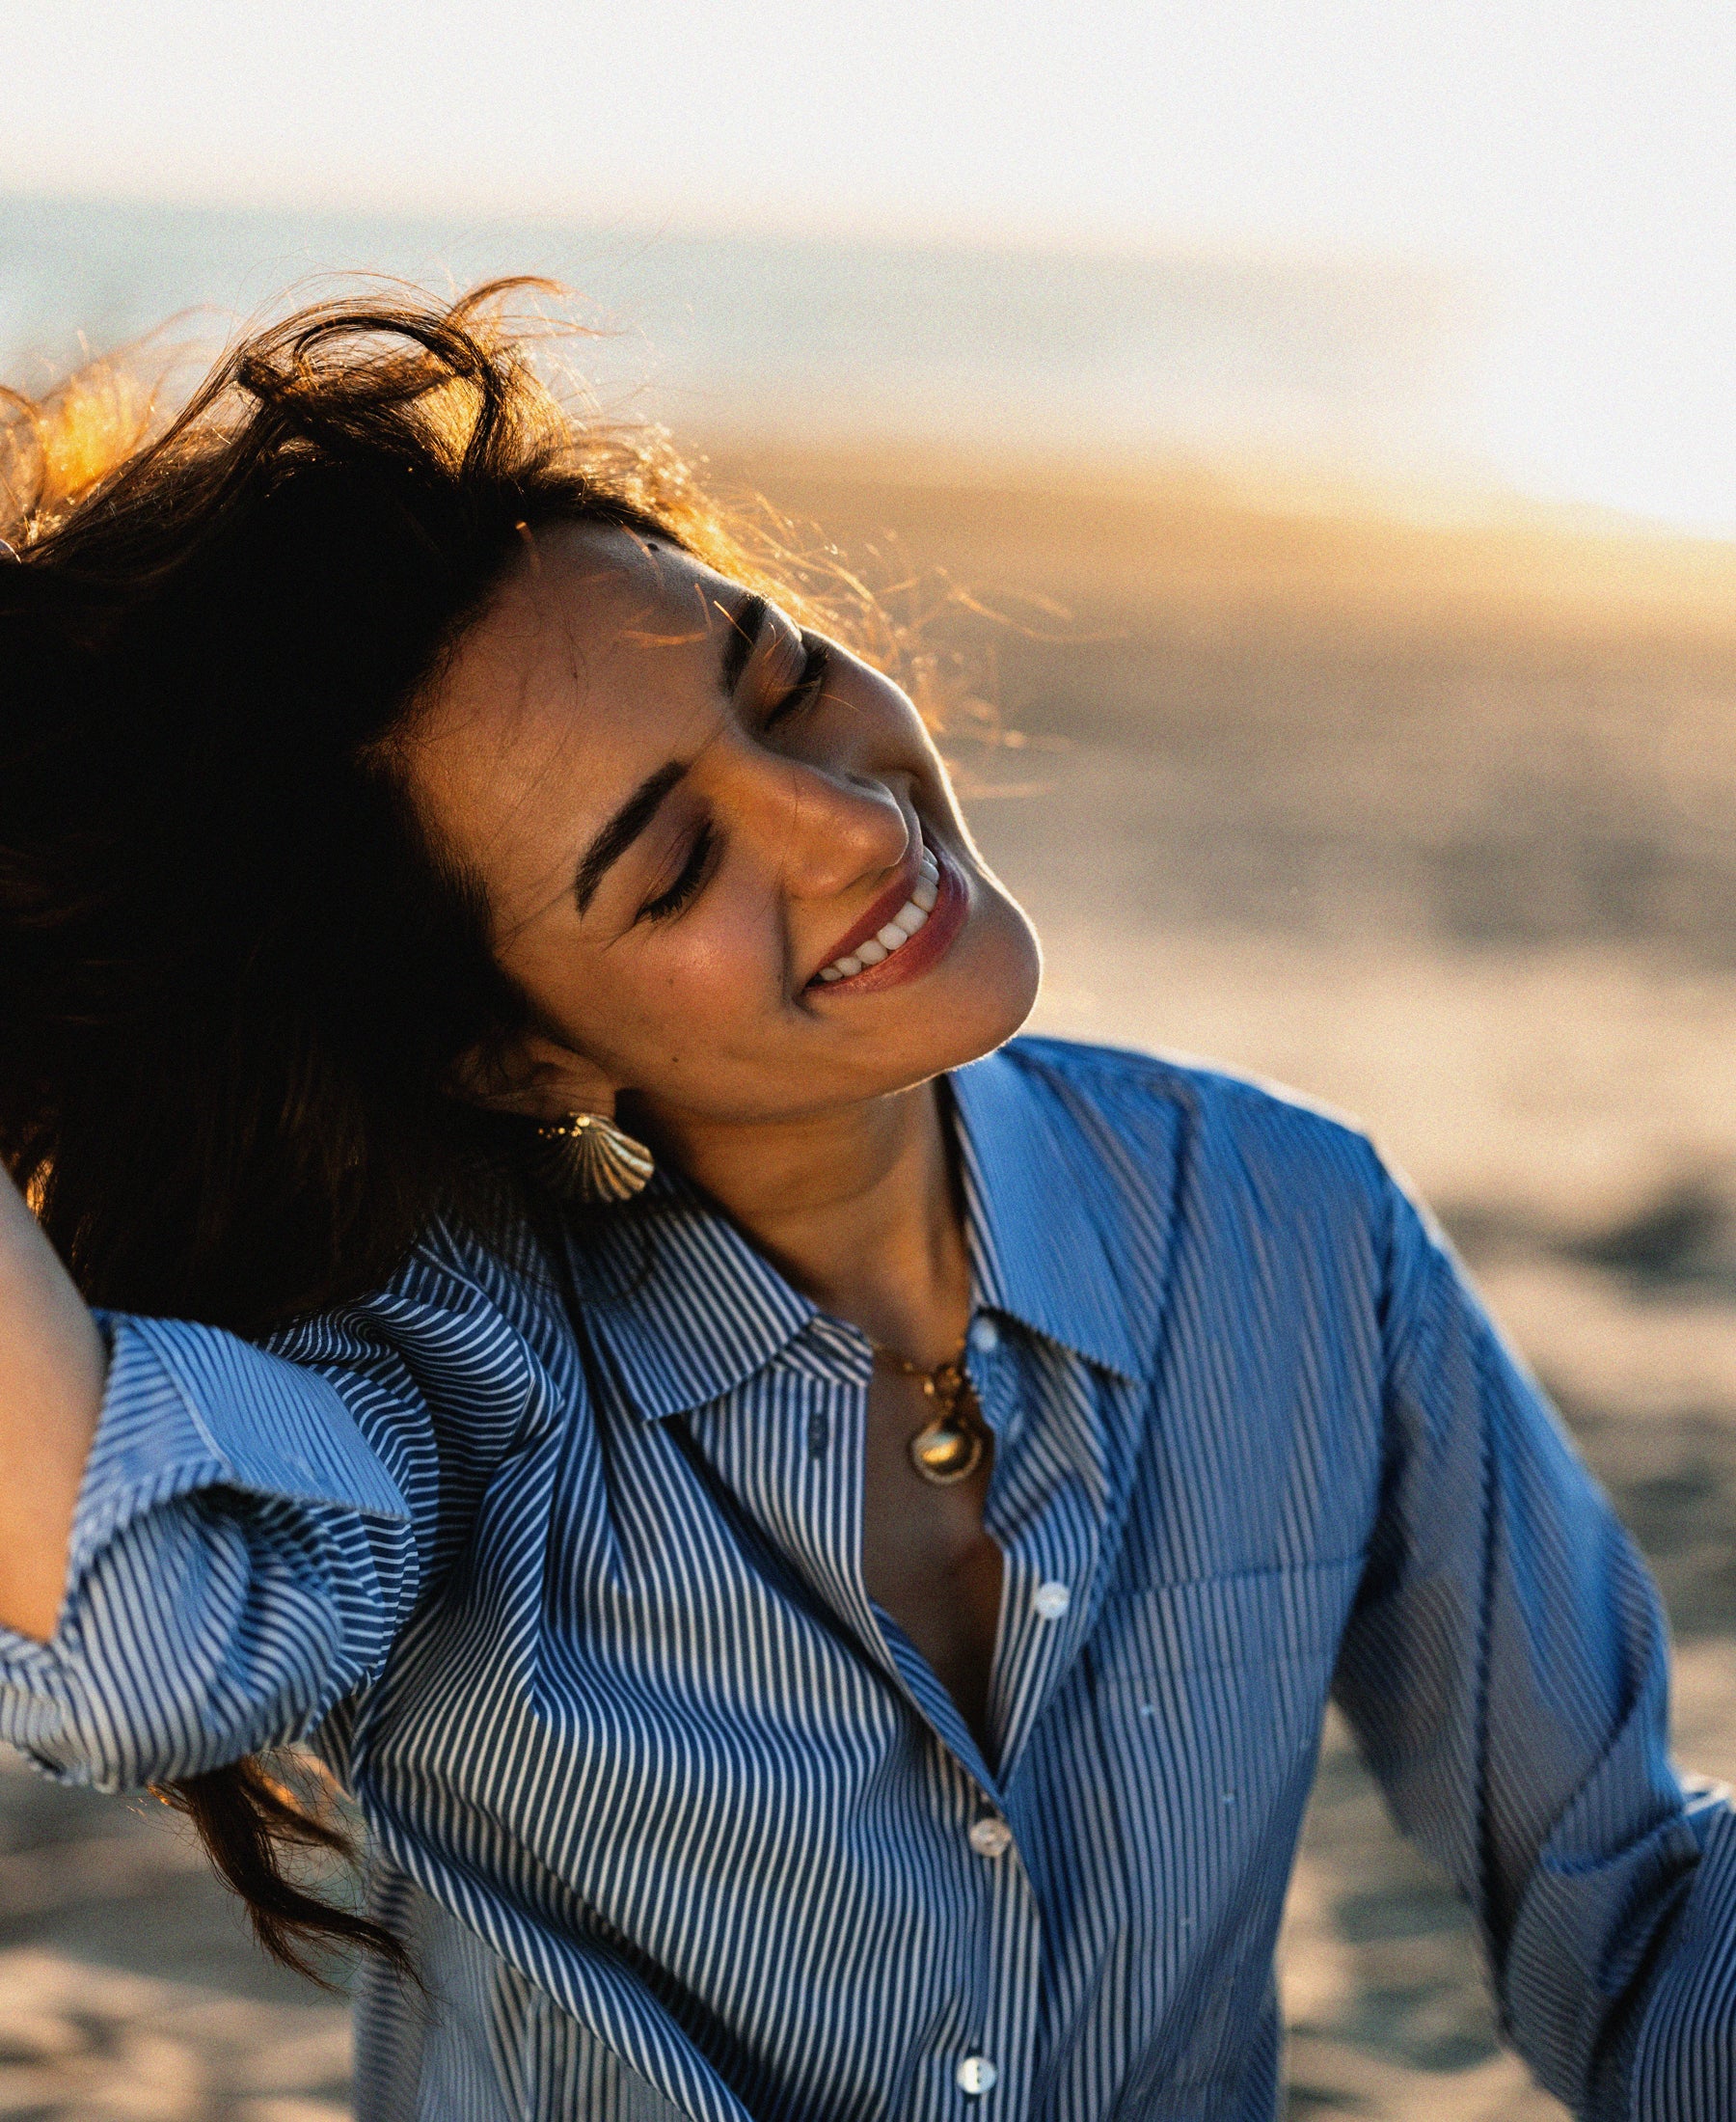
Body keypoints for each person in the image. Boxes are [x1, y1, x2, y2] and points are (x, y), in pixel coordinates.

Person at [0, 283, 1731, 2122]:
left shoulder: (1293, 1234)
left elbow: (1622, 1912)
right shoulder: (446, 1364)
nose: (847, 822)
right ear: (512, 1058)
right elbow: (137, 1645)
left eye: (783, 680)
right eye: (675, 867)